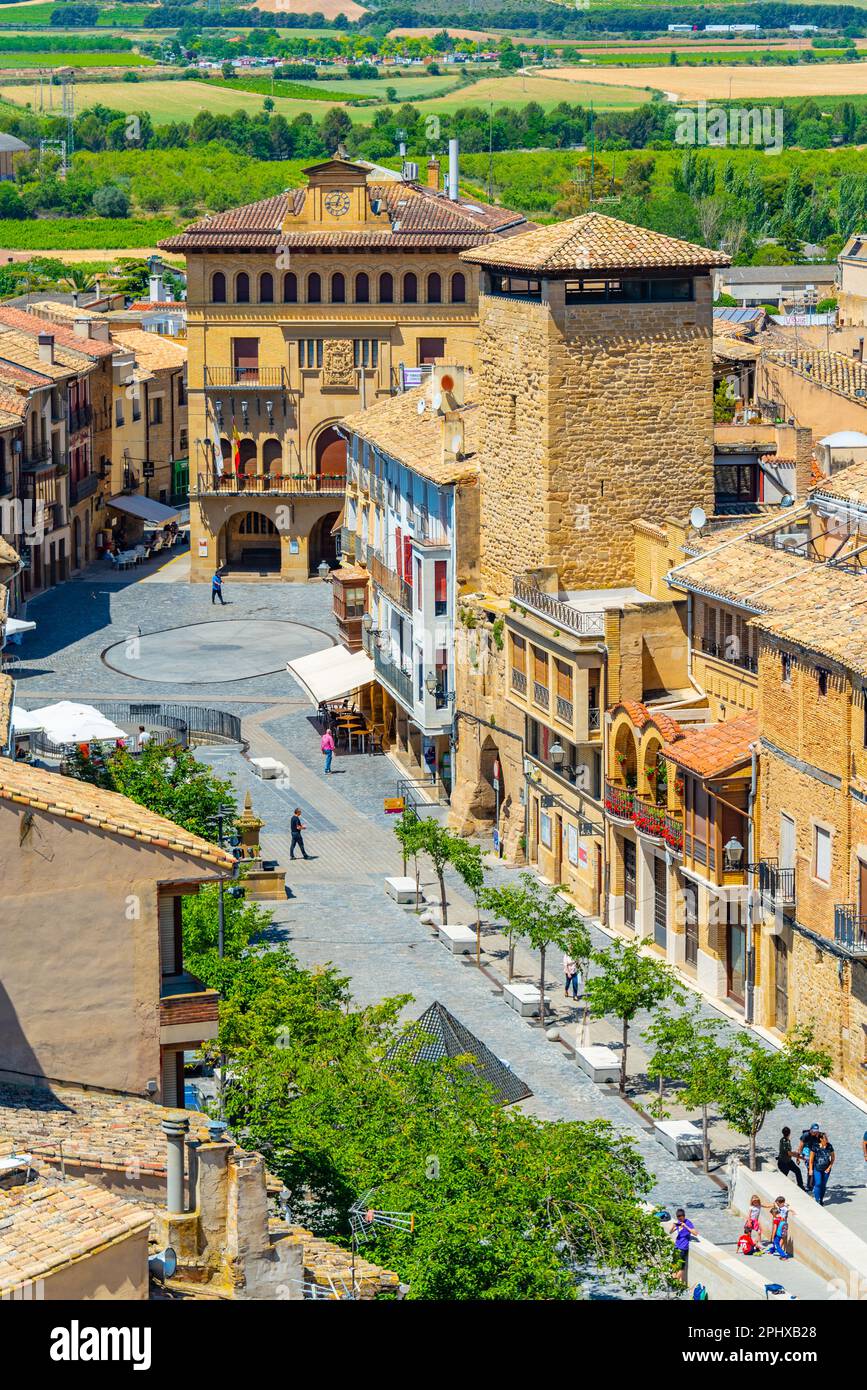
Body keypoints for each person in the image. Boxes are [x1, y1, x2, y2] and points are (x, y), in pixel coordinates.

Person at [672, 1209, 698, 1282]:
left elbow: (695, 1233)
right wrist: (673, 1226)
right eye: (678, 1217)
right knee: (673, 1265)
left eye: (681, 1217)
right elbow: (670, 1232)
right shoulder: (679, 1222)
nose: (679, 1219)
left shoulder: (688, 1222)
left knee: (681, 1267)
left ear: (684, 1216)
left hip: (683, 1248)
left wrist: (686, 1226)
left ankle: (675, 1282)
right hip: (676, 1246)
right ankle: (673, 1280)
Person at [810, 1132, 835, 1206]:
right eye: (825, 1138)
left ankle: (821, 1199)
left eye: (827, 1138)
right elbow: (811, 1159)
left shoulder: (829, 1146)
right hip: (817, 1168)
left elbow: (833, 1158)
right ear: (821, 1139)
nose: (827, 1139)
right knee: (818, 1183)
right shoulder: (815, 1146)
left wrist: (829, 1167)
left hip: (826, 1169)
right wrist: (810, 1169)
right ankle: (817, 1200)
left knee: (823, 1185)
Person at [800, 1123, 821, 1192]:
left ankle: (813, 1184)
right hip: (806, 1154)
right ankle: (809, 1186)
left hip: (814, 1153)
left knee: (815, 1169)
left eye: (816, 1131)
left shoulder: (818, 1135)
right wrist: (798, 1157)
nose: (815, 1132)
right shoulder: (805, 1135)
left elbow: (822, 1144)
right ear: (811, 1130)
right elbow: (800, 1146)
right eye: (814, 1131)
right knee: (810, 1168)